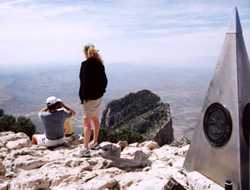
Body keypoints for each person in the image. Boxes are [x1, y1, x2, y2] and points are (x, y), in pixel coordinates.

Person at [78, 44, 107, 157]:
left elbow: (83, 82)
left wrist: (83, 97)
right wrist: (101, 92)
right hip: (98, 97)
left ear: (86, 53)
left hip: (88, 98)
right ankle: (94, 142)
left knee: (86, 121)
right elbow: (105, 81)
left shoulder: (85, 64)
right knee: (95, 118)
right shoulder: (100, 64)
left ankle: (85, 149)